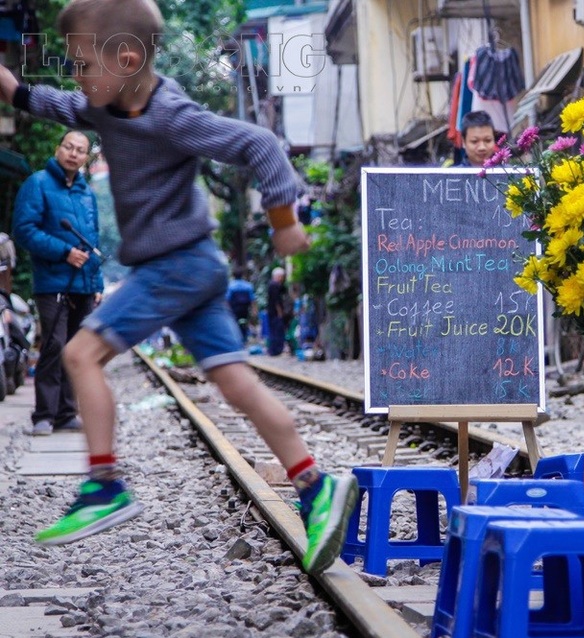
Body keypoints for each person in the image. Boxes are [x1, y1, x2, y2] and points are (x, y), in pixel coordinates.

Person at [0, 0, 357, 574]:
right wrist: (14, 90)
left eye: (83, 64)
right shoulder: (106, 105)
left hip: (177, 266)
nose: (77, 78)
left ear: (127, 57)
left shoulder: (171, 114)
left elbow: (261, 145)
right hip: (188, 269)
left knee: (80, 353)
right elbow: (43, 100)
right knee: (236, 382)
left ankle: (104, 486)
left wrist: (285, 225)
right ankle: (317, 487)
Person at [13, 130, 103, 436]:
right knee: (54, 345)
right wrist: (64, 252)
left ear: (86, 157)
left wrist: (98, 282)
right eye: (69, 147)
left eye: (80, 150)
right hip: (52, 283)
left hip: (84, 284)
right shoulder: (37, 183)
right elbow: (24, 230)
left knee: (78, 349)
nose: (74, 153)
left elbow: (93, 242)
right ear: (58, 148)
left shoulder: (86, 193)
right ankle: (44, 414)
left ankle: (67, 413)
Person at [225, 267, 255, 343]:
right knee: (244, 322)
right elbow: (252, 299)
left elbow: (227, 299)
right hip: (245, 308)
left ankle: (237, 339)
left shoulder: (231, 286)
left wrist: (227, 309)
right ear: (242, 275)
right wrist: (254, 309)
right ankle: (244, 338)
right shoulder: (248, 285)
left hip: (234, 308)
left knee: (235, 323)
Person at [266, 266, 290, 356]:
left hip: (272, 311)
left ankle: (275, 350)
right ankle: (275, 350)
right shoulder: (274, 285)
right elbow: (276, 300)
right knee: (277, 331)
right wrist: (280, 312)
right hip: (275, 312)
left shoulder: (275, 285)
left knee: (275, 331)